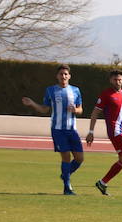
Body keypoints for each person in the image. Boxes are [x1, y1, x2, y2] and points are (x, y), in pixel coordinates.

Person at [21, 64, 84, 195]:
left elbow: (80, 109)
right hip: (58, 129)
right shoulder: (51, 90)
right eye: (61, 74)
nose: (63, 76)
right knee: (66, 156)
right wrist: (32, 103)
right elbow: (45, 109)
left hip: (72, 129)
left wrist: (75, 110)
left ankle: (65, 174)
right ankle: (67, 187)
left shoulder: (75, 90)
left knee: (79, 158)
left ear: (69, 76)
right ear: (57, 76)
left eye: (66, 74)